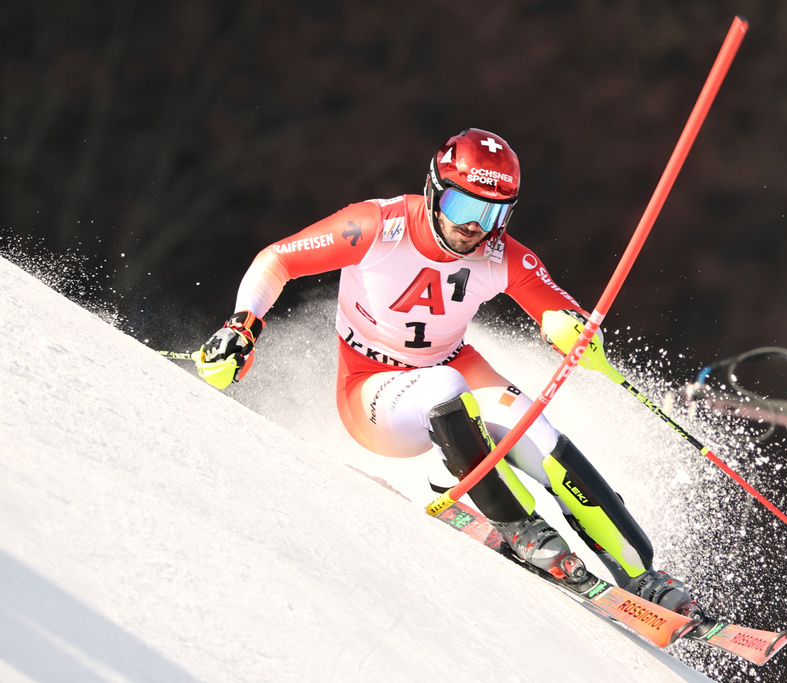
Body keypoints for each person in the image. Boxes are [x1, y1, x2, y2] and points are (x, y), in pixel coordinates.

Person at [198, 128, 696, 614]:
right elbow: (278, 259)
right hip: (370, 392)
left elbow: (560, 311)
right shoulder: (377, 226)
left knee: (534, 432)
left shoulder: (501, 254)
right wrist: (241, 328)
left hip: (451, 365)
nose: (474, 227)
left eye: (492, 213)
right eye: (463, 208)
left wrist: (573, 332)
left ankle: (640, 573)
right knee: (445, 385)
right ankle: (518, 524)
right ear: (434, 192)